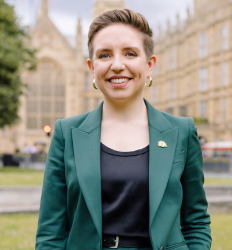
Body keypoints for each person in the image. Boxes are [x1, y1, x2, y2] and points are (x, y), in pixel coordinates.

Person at [35, 9, 212, 250]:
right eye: (105, 55)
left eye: (130, 53)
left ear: (150, 65)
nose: (117, 65)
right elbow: (50, 234)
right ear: (92, 68)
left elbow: (196, 222)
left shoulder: (182, 132)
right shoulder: (67, 133)